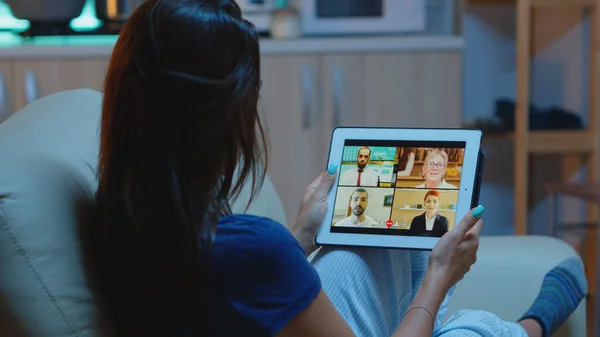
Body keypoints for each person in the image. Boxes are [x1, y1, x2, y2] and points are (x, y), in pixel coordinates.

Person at [85, 1, 588, 337]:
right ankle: (528, 328)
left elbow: (229, 293)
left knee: (362, 238)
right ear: (220, 117)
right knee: (465, 330)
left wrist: (300, 236)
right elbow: (247, 272)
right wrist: (439, 275)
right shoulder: (255, 248)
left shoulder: (117, 217)